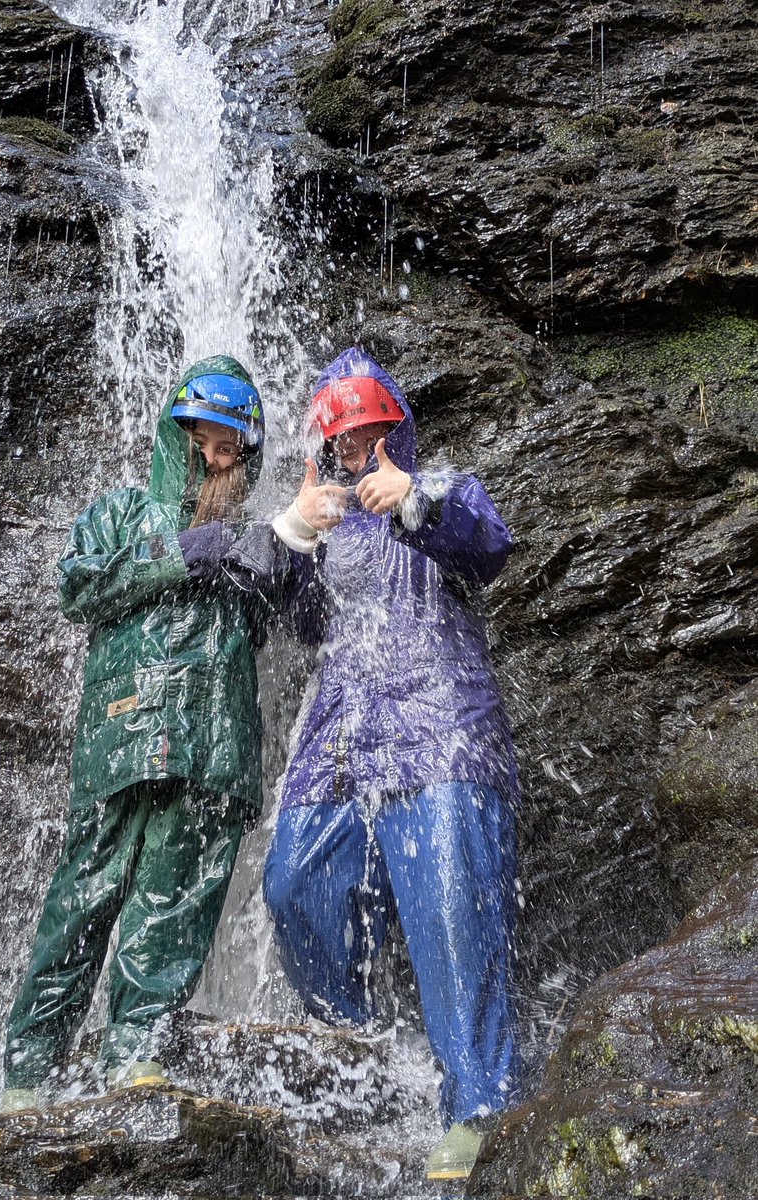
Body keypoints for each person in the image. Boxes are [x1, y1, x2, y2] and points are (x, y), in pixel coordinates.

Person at [264, 346, 519, 1181]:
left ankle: (478, 1103)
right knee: (293, 879)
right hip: (341, 732)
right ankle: (370, 1052)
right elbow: (297, 624)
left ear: (396, 428)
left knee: (450, 906)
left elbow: (486, 544)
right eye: (342, 436)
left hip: (441, 725)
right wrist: (298, 530)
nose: (357, 447)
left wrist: (414, 498)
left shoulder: (439, 488)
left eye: (371, 429)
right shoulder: (328, 519)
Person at [1, 356, 271, 1111]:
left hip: (213, 748)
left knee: (175, 911)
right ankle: (26, 1075)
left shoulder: (250, 536)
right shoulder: (120, 513)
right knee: (80, 904)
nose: (215, 460)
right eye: (203, 442)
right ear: (174, 434)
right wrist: (175, 557)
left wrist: (275, 568)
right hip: (121, 739)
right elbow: (77, 587)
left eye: (230, 449)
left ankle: (136, 1054)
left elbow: (287, 621)